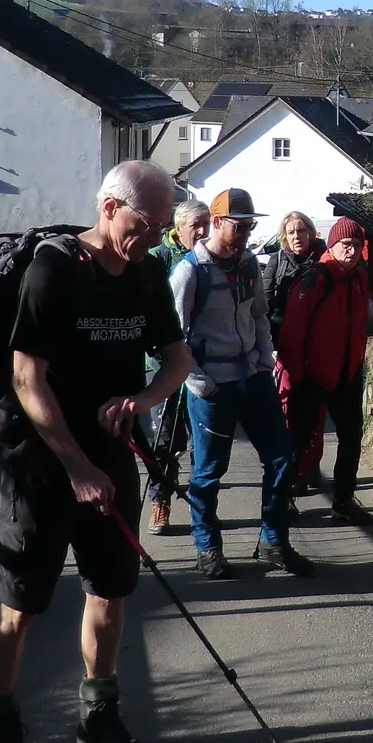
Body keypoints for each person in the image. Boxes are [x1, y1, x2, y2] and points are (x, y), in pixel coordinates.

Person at [0, 160, 191, 743]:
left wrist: (141, 400)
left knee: (110, 590)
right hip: (41, 461)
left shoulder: (148, 272)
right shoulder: (56, 268)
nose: (154, 236)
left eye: (163, 226)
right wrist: (75, 466)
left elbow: (178, 360)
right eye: (145, 223)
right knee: (20, 603)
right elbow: (26, 377)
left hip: (109, 457)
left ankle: (98, 717)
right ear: (109, 207)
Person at [173, 187, 313, 580]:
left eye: (250, 226)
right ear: (216, 223)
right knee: (208, 473)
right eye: (240, 226)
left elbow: (258, 316)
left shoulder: (249, 263)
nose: (246, 234)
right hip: (212, 386)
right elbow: (173, 338)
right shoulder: (189, 271)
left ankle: (273, 543)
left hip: (253, 377)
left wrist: (265, 361)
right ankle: (207, 549)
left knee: (282, 458)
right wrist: (201, 384)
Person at [278, 216, 372, 526]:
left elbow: (360, 324)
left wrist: (357, 362)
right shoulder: (315, 279)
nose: (352, 251)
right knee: (297, 439)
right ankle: (283, 499)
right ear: (332, 245)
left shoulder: (358, 279)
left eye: (357, 245)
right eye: (346, 245)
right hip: (311, 375)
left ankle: (343, 501)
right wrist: (298, 374)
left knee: (351, 437)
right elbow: (292, 331)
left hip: (347, 373)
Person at [144, 198, 209, 533]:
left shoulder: (211, 258)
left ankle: (203, 506)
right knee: (165, 439)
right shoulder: (157, 257)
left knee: (201, 440)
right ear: (178, 227)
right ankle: (160, 501)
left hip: (201, 363)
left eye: (206, 223)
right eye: (196, 225)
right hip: (162, 364)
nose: (203, 231)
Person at [260, 211, 327, 496]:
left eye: (301, 230)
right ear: (284, 237)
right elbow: (264, 304)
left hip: (319, 346)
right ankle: (294, 468)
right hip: (286, 347)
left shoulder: (324, 261)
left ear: (310, 232)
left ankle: (311, 464)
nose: (297, 236)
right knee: (288, 410)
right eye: (291, 232)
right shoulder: (277, 262)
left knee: (316, 412)